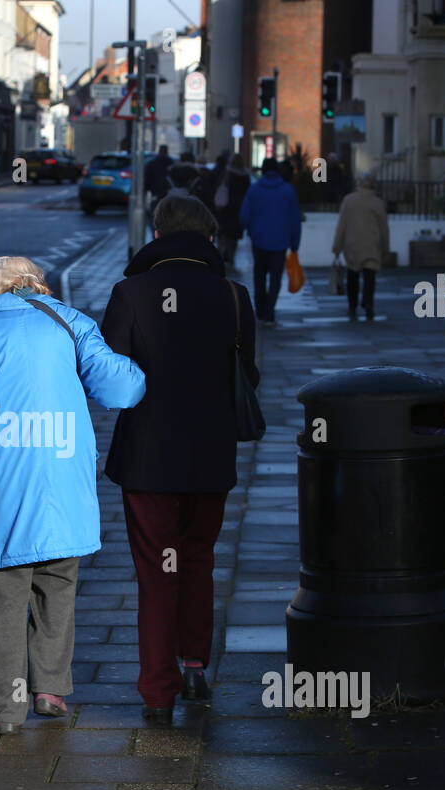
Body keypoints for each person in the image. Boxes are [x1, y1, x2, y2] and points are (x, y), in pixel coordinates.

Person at [0, 257, 145, 735]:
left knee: (3, 595)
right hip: (63, 480)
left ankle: (7, 710)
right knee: (58, 584)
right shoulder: (70, 323)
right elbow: (122, 388)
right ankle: (49, 688)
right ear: (37, 285)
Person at [101, 196, 260, 726]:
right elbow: (249, 376)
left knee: (156, 571)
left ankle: (157, 692)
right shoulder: (234, 297)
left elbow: (112, 381)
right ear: (210, 238)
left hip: (147, 459)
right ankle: (194, 665)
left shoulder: (130, 292)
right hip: (210, 455)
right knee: (197, 559)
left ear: (158, 232)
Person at [239, 157, 302, 326]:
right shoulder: (288, 191)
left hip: (259, 240)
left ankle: (259, 312)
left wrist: (251, 230)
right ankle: (269, 313)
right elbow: (295, 220)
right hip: (280, 242)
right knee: (275, 279)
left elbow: (244, 216)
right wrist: (294, 244)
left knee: (259, 277)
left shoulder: (254, 190)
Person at [331, 172, 390, 321]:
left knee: (353, 276)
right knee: (370, 276)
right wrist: (385, 248)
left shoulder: (348, 201)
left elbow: (341, 226)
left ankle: (352, 305)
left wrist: (337, 246)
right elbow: (384, 228)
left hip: (352, 244)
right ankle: (368, 303)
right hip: (372, 244)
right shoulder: (378, 203)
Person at [214, 153, 251, 272]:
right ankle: (230, 255)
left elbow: (220, 187)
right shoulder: (245, 176)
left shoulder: (227, 173)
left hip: (225, 207)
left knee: (223, 232)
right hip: (239, 208)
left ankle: (221, 254)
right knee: (233, 235)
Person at [145, 144, 173, 213]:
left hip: (155, 190)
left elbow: (147, 177)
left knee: (154, 211)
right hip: (168, 191)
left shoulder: (152, 163)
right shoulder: (171, 163)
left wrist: (146, 188)